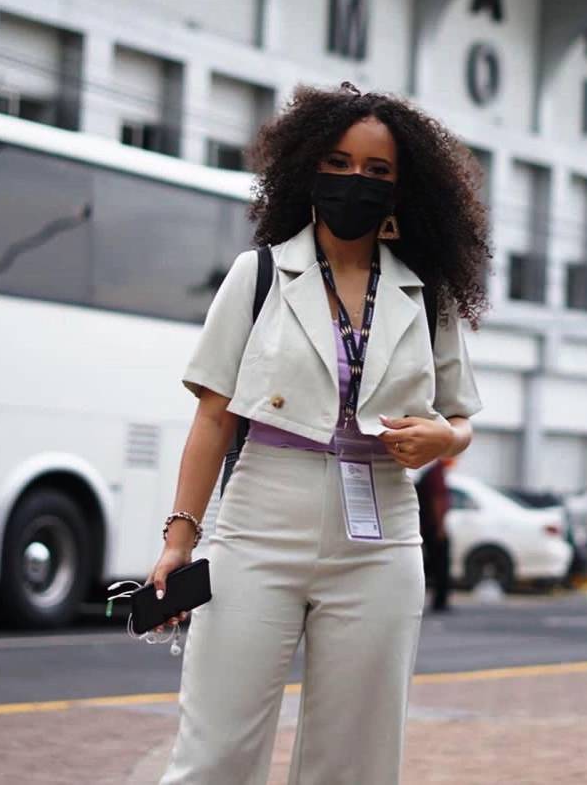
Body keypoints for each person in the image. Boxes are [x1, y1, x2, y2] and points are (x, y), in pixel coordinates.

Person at [148, 82, 489, 784]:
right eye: (337, 163)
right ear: (306, 168)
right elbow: (213, 416)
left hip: (383, 532)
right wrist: (179, 538)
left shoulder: (429, 294)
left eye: (376, 171)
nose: (353, 182)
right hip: (259, 521)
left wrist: (442, 441)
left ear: (402, 189)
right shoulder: (260, 275)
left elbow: (459, 417)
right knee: (214, 756)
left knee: (356, 763)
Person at [416, 457, 455, 612]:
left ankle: (436, 598)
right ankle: (440, 600)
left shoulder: (428, 472)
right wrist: (440, 527)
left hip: (426, 526)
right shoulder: (434, 472)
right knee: (440, 564)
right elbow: (437, 500)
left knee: (430, 564)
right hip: (431, 527)